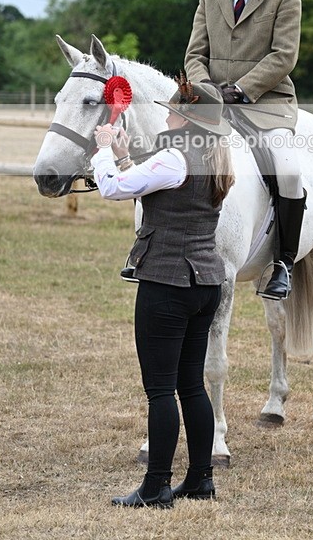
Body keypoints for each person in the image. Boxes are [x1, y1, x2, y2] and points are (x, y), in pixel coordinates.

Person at [91, 79, 234, 508]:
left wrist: (101, 149)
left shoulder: (174, 156)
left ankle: (155, 487)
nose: (168, 117)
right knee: (191, 385)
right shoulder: (215, 156)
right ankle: (200, 479)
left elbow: (113, 188)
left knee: (160, 390)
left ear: (187, 120)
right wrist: (124, 156)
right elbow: (154, 184)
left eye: (174, 112)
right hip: (205, 281)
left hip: (167, 283)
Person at [184, 0, 306, 300]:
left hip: (265, 102)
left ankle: (283, 262)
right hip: (212, 102)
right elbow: (194, 56)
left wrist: (240, 89)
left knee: (286, 169)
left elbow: (283, 56)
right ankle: (151, 245)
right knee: (167, 151)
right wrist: (205, 90)